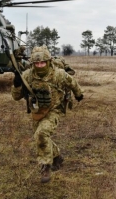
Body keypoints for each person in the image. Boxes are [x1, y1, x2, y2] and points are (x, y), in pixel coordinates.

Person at [11, 45, 84, 183]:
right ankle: (57, 157)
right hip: (37, 113)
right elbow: (16, 96)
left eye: (43, 62)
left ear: (49, 61)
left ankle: (45, 166)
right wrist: (16, 84)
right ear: (33, 63)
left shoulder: (59, 74)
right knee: (41, 138)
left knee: (41, 134)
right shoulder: (28, 75)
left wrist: (79, 94)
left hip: (54, 111)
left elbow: (73, 83)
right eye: (37, 63)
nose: (40, 65)